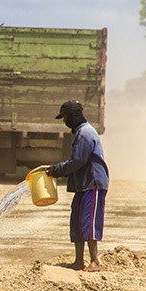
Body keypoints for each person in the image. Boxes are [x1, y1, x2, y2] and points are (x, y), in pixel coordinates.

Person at [46, 100, 109, 272]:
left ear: (73, 116)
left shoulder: (86, 133)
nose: (64, 122)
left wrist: (57, 170)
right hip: (82, 185)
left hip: (93, 183)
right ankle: (79, 261)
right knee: (77, 221)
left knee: (89, 222)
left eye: (65, 117)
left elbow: (79, 161)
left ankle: (95, 261)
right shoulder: (81, 133)